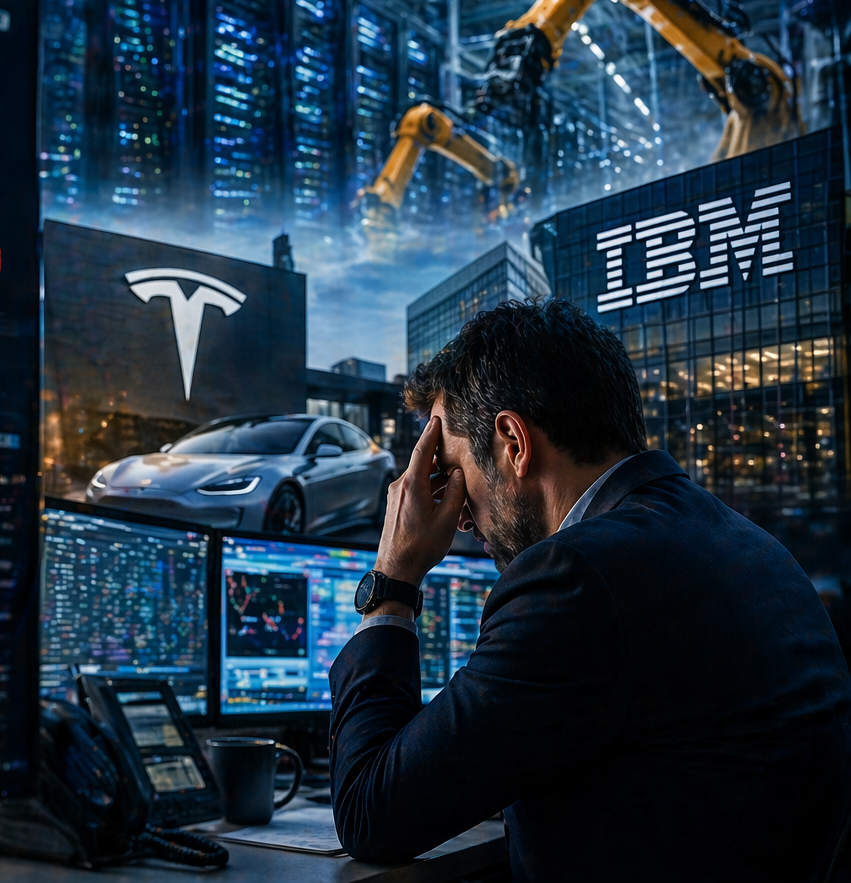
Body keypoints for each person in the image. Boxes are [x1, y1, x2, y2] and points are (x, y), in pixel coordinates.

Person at [327, 299, 851, 881]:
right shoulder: (748, 546)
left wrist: (393, 578)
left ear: (513, 443)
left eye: (451, 473)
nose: (460, 514)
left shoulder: (577, 577)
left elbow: (369, 810)